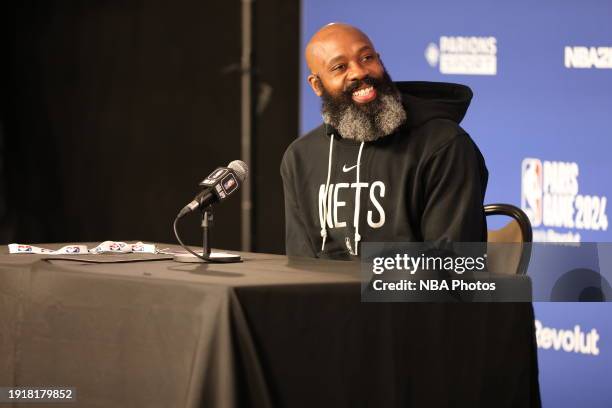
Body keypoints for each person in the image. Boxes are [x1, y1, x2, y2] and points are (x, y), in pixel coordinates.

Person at [281, 23, 488, 259]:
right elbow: (300, 264)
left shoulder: (444, 144)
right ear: (317, 85)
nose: (359, 72)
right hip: (328, 296)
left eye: (367, 57)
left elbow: (449, 265)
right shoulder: (300, 157)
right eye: (340, 67)